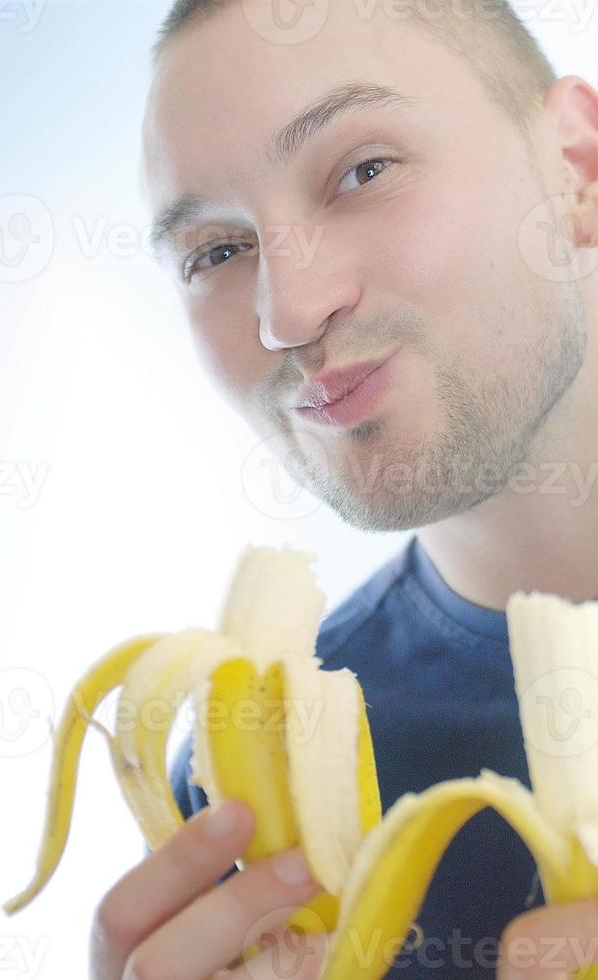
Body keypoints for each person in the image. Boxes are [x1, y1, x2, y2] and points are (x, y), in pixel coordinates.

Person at [90, 0, 598, 976]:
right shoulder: (248, 796)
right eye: (216, 253)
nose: (289, 310)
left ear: (575, 167)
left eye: (363, 171)